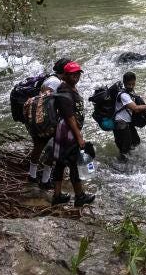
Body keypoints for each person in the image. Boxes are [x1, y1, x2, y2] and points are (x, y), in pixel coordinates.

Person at [48, 61, 96, 207]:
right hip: (67, 132)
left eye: (77, 74)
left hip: (64, 131)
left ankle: (57, 195)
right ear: (65, 75)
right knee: (74, 163)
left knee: (60, 163)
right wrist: (79, 137)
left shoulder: (69, 88)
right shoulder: (65, 91)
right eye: (72, 74)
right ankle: (80, 196)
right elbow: (70, 117)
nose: (76, 76)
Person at [25, 57, 70, 189]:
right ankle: (45, 180)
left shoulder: (51, 79)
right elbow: (44, 101)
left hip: (39, 119)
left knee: (38, 147)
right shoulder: (55, 82)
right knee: (52, 150)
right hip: (47, 121)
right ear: (65, 70)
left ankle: (32, 175)